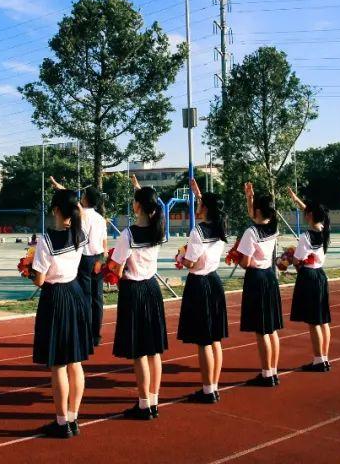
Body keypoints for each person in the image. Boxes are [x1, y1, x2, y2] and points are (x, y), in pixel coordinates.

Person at [29, 188, 91, 439]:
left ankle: (61, 421)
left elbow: (40, 280)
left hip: (55, 297)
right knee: (75, 361)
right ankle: (73, 417)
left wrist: (30, 270)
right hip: (75, 293)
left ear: (55, 210)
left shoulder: (46, 240)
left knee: (58, 364)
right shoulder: (80, 233)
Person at [108, 176, 168, 420]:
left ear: (138, 206)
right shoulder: (158, 230)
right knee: (154, 350)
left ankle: (144, 404)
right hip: (153, 289)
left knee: (139, 351)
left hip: (134, 290)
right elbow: (153, 204)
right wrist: (139, 188)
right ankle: (153, 400)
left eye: (135, 200)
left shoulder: (128, 234)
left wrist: (107, 267)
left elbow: (117, 269)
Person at [176, 178, 229, 403]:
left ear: (205, 208)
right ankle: (213, 386)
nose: (196, 206)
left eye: (199, 203)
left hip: (199, 284)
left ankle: (208, 390)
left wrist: (180, 256)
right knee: (214, 338)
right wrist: (199, 194)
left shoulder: (198, 231)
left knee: (204, 340)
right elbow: (209, 208)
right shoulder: (220, 225)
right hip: (214, 281)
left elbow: (189, 262)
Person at [50, 176, 107, 348]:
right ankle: (96, 335)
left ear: (85, 199)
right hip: (99, 258)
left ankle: (85, 334)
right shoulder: (100, 218)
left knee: (84, 297)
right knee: (97, 298)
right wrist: (102, 259)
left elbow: (69, 199)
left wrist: (58, 186)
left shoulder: (82, 215)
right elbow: (104, 242)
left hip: (85, 259)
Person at [238, 182, 284, 387]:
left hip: (256, 278)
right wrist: (250, 197)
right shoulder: (273, 227)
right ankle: (272, 370)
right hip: (269, 276)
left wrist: (236, 256)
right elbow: (254, 216)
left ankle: (266, 373)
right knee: (271, 328)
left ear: (258, 211)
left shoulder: (251, 233)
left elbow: (245, 262)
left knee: (261, 329)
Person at [287, 188, 333, 373]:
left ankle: (318, 360)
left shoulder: (306, 236)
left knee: (313, 322)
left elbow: (297, 260)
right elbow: (312, 211)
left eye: (306, 212)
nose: (303, 214)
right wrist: (296, 199)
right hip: (320, 275)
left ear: (311, 214)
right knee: (323, 320)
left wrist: (289, 259)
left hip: (309, 277)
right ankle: (324, 358)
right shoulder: (324, 229)